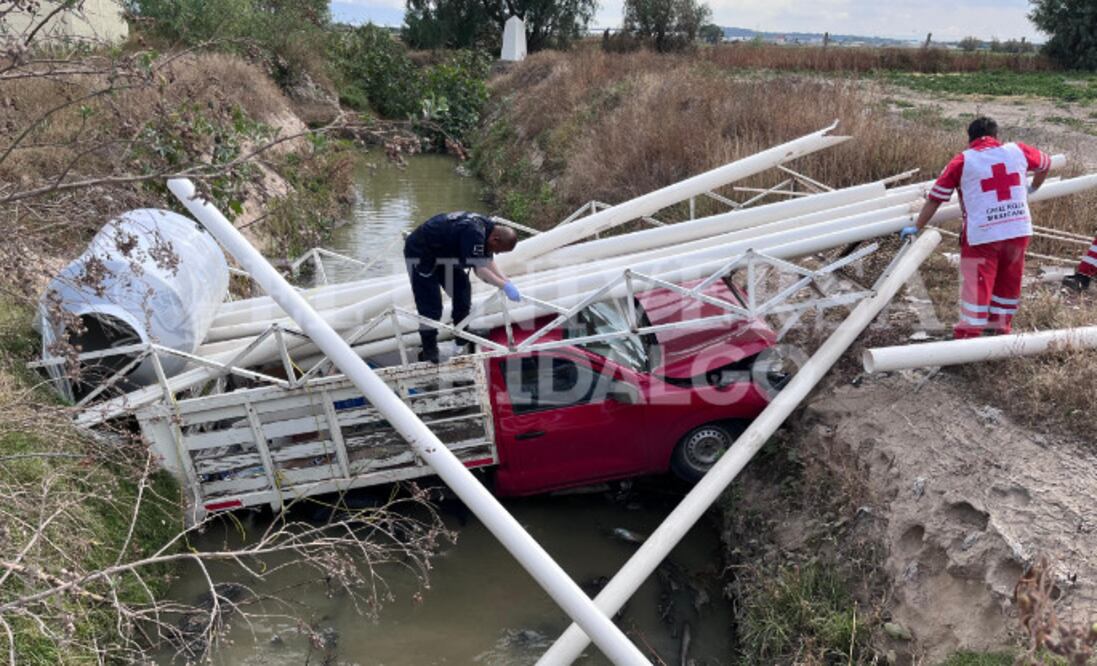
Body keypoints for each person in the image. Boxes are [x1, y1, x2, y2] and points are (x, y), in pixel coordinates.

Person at [901, 117, 1051, 338]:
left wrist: (918, 226)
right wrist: (1033, 187)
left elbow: (936, 198)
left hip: (983, 234)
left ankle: (968, 335)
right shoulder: (1017, 150)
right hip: (1017, 229)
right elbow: (1045, 164)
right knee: (1009, 280)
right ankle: (1000, 328)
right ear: (996, 136)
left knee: (977, 285)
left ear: (970, 138)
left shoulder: (962, 161)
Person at [404, 211, 520, 363]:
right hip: (421, 254)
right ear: (495, 239)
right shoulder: (473, 233)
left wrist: (506, 280)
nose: (497, 253)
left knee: (462, 292)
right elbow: (480, 270)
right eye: (498, 249)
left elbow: (486, 258)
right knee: (431, 306)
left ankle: (462, 333)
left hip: (444, 254)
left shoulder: (488, 229)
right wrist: (504, 285)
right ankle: (429, 347)